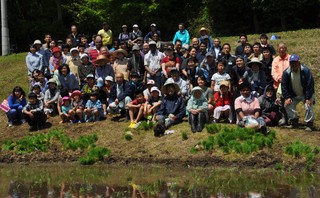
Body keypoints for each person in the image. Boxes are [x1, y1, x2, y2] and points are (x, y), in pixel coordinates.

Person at [281, 54, 315, 131]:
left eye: (295, 62)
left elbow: (310, 84)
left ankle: (309, 123)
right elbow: (284, 86)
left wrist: (308, 98)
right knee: (287, 105)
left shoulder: (305, 71)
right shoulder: (286, 72)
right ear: (289, 63)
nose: (294, 64)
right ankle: (294, 121)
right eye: (292, 63)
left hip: (305, 94)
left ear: (299, 62)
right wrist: (287, 97)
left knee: (308, 105)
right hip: (293, 95)